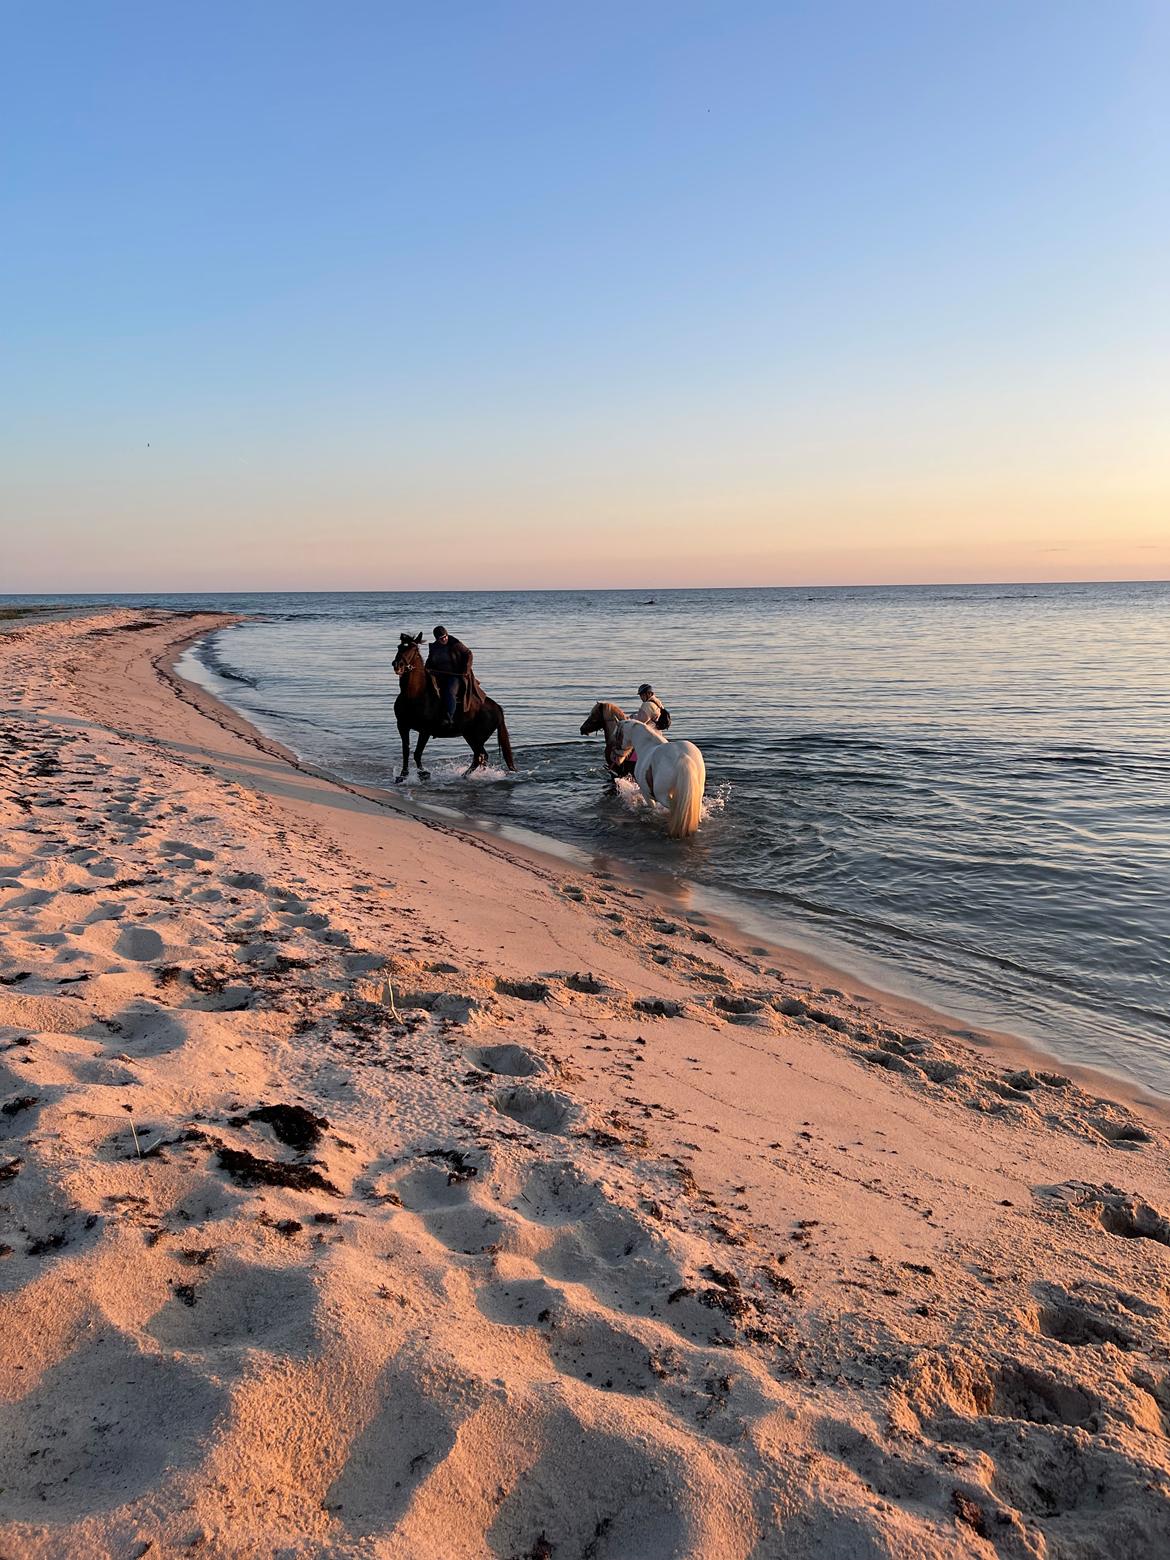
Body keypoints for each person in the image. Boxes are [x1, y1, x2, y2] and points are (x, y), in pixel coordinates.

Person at [426, 625, 473, 726]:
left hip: (455, 675)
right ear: (437, 639)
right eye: (441, 638)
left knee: (449, 691)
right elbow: (430, 661)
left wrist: (466, 669)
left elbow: (468, 654)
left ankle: (449, 716)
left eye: (445, 636)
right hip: (439, 675)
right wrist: (426, 669)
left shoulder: (455, 644)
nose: (444, 639)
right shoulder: (434, 648)